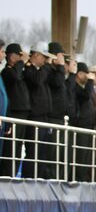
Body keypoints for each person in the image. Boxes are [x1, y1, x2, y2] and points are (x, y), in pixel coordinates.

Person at [23, 42, 56, 179]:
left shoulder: (42, 71)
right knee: (33, 152)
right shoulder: (28, 69)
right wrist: (47, 66)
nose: (45, 60)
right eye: (44, 57)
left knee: (42, 154)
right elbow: (37, 81)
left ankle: (39, 180)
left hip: (44, 117)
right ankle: (29, 180)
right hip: (34, 117)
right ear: (35, 55)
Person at [0, 43, 30, 177]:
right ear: (12, 57)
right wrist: (21, 63)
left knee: (18, 150)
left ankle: (13, 176)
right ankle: (7, 177)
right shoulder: (7, 71)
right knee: (10, 150)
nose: (22, 59)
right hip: (13, 115)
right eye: (19, 56)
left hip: (23, 115)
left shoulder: (19, 71)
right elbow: (14, 77)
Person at [46, 42, 69, 179]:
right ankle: (50, 179)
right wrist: (60, 66)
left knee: (59, 154)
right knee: (51, 153)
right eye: (60, 56)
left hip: (60, 118)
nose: (63, 60)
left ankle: (58, 179)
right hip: (52, 117)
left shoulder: (57, 72)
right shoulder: (49, 71)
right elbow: (58, 83)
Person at [73, 62, 96, 182]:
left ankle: (82, 180)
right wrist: (90, 81)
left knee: (86, 158)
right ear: (80, 74)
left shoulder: (82, 87)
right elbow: (86, 95)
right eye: (85, 74)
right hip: (80, 126)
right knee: (80, 157)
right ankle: (78, 180)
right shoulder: (75, 87)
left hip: (88, 126)